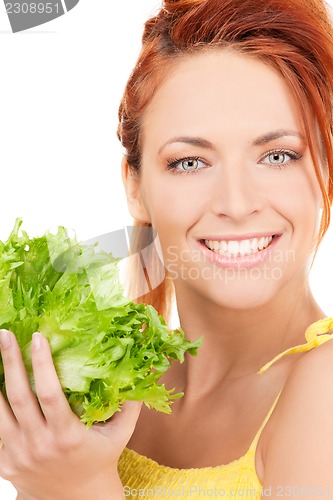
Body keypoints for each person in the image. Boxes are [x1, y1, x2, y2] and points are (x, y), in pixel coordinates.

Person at [1, 0, 333, 498]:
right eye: (190, 163)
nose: (236, 204)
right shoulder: (100, 381)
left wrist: (79, 487)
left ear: (326, 168)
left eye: (278, 155)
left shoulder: (324, 390)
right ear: (135, 185)